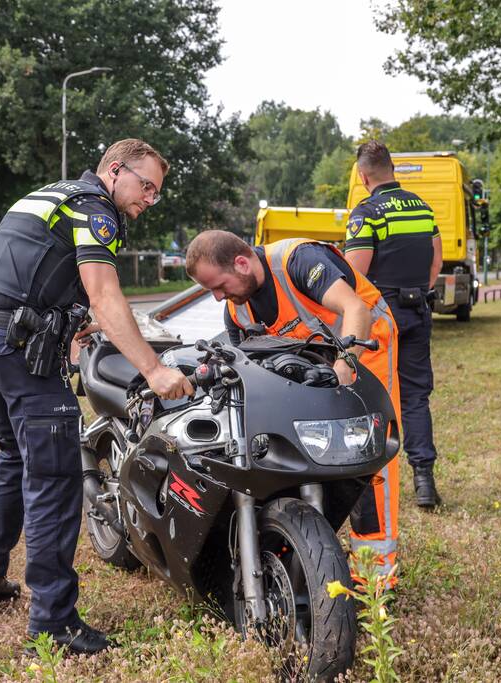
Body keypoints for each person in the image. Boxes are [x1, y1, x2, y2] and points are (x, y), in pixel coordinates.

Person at [0, 138, 193, 655]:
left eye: (157, 193)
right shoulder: (96, 210)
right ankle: (53, 621)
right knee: (56, 477)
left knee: (13, 458)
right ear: (114, 170)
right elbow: (105, 295)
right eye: (145, 185)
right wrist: (153, 370)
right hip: (17, 351)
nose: (149, 199)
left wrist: (68, 322)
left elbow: (30, 274)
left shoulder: (52, 195)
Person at [185, 230, 401, 575]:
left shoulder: (297, 261)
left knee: (366, 453)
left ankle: (375, 573)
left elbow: (354, 308)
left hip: (365, 345)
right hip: (313, 363)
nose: (216, 297)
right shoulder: (237, 311)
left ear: (241, 263)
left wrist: (346, 364)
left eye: (220, 286)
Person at [343, 140, 443, 508]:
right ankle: (424, 482)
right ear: (392, 169)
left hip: (381, 319)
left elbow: (354, 274)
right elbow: (436, 262)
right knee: (416, 396)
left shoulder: (366, 212)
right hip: (418, 310)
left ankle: (368, 482)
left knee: (368, 397)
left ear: (363, 175)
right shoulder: (422, 208)